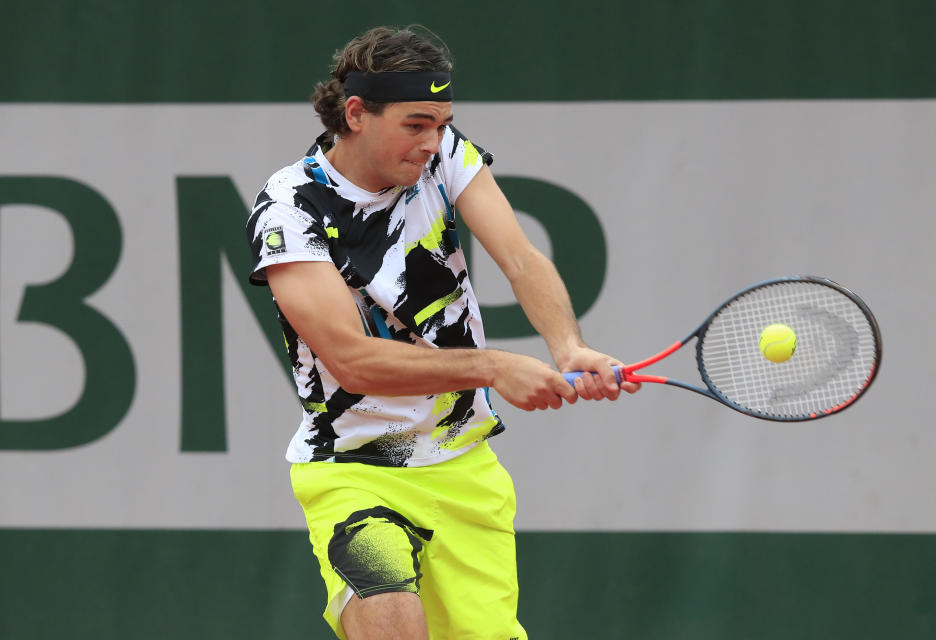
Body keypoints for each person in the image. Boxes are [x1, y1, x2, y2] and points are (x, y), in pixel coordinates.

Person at [246, 25, 640, 640]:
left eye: (441, 123)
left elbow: (519, 257)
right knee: (390, 609)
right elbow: (352, 362)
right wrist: (492, 367)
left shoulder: (445, 155)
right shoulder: (289, 208)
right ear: (355, 114)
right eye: (416, 124)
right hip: (354, 468)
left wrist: (567, 346)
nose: (433, 140)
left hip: (463, 468)